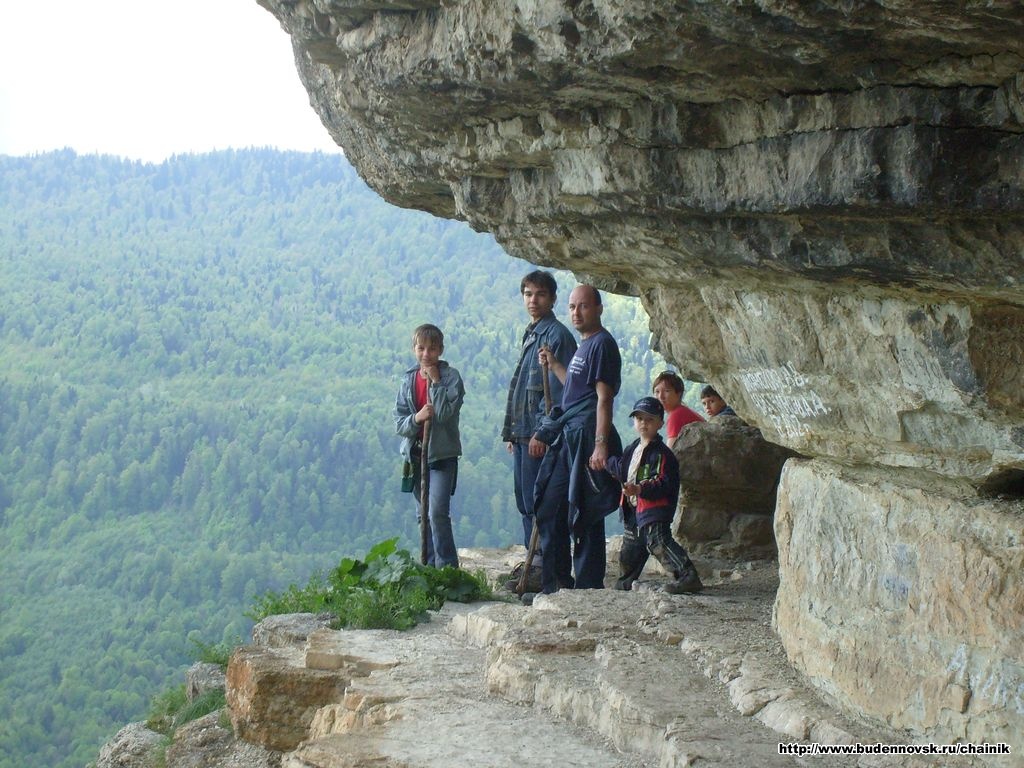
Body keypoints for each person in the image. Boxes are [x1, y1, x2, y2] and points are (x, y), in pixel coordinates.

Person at [532, 285, 623, 594]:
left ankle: (587, 586)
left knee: (586, 510)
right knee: (550, 507)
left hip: (586, 437)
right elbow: (575, 389)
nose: (576, 313)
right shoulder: (585, 346)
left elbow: (603, 398)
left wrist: (600, 445)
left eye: (583, 306)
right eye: (572, 307)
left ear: (598, 308)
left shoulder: (602, 344)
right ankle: (557, 584)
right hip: (570, 434)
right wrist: (555, 364)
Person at [501, 271, 577, 591]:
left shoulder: (556, 337)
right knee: (526, 504)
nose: (533, 300)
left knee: (544, 508)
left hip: (539, 438)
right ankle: (534, 566)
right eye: (528, 294)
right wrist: (513, 433)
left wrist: (542, 433)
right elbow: (522, 389)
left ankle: (553, 574)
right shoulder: (532, 333)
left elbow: (562, 395)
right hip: (523, 434)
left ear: (553, 299)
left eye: (541, 294)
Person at [606, 396, 703, 594]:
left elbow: (662, 482)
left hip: (654, 510)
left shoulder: (662, 454)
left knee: (659, 542)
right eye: (639, 418)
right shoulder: (632, 448)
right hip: (633, 510)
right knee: (630, 550)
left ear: (660, 423)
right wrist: (605, 461)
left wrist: (639, 489)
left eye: (649, 419)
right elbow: (622, 468)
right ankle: (625, 584)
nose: (644, 423)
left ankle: (688, 576)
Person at [394, 324, 465, 568]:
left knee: (437, 513)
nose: (426, 354)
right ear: (414, 349)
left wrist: (435, 384)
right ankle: (429, 565)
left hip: (442, 456)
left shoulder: (451, 378)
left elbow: (444, 415)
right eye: (421, 348)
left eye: (432, 349)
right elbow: (399, 422)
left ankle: (447, 568)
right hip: (415, 456)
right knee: (422, 515)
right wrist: (417, 418)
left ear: (440, 350)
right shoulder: (409, 380)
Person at [652, 370, 704, 448]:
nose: (660, 396)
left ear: (678, 393)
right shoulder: (683, 411)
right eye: (657, 391)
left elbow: (670, 451)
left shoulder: (676, 415)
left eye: (666, 391)